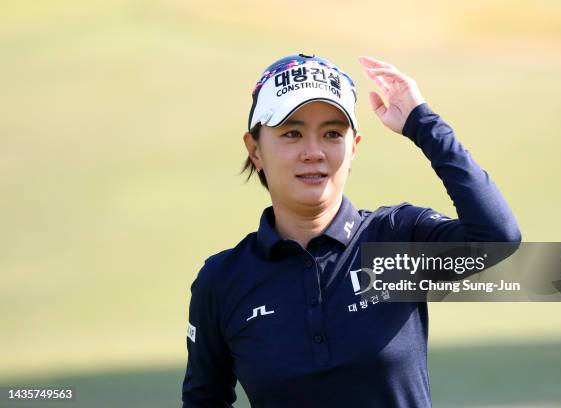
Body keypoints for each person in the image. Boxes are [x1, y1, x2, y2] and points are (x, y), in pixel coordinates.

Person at [181, 53, 521, 408]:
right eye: (292, 133)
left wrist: (424, 125)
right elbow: (204, 400)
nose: (313, 152)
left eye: (332, 134)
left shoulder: (394, 239)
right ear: (255, 150)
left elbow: (496, 239)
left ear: (353, 148)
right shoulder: (223, 281)